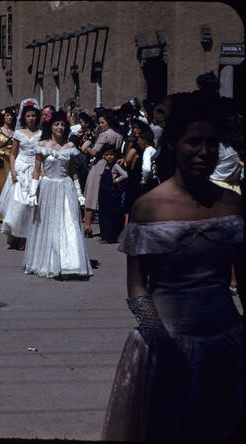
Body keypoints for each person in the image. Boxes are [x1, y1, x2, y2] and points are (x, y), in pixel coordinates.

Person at [101, 91, 244, 441]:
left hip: (228, 344)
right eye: (193, 141)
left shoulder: (233, 204)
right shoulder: (148, 207)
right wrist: (164, 347)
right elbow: (137, 286)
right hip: (164, 345)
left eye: (212, 143)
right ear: (173, 145)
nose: (204, 151)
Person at [23, 111, 92, 278]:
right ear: (50, 127)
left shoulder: (70, 147)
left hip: (65, 187)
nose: (60, 127)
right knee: (48, 224)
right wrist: (32, 193)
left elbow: (73, 172)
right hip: (47, 187)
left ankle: (69, 263)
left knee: (68, 223)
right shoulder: (42, 145)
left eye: (62, 124)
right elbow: (37, 170)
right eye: (56, 124)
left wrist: (79, 193)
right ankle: (47, 261)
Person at [0, 98, 41, 249]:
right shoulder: (18, 133)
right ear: (24, 117)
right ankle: (13, 234)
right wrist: (13, 171)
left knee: (29, 205)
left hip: (35, 168)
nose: (31, 118)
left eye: (33, 116)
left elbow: (43, 154)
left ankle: (25, 237)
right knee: (16, 203)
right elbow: (12, 153)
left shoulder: (41, 134)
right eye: (28, 116)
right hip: (20, 168)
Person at [82, 110, 124, 236]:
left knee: (91, 196)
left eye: (102, 123)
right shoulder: (118, 135)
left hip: (99, 165)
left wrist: (86, 147)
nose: (100, 125)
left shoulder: (104, 135)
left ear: (108, 123)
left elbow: (95, 152)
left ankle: (87, 226)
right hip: (112, 166)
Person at [97, 146, 127, 243]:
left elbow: (125, 175)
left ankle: (110, 237)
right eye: (107, 155)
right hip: (104, 192)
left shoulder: (115, 165)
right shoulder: (106, 165)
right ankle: (104, 236)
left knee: (110, 216)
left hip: (111, 193)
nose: (109, 157)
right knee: (103, 214)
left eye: (111, 155)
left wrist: (116, 180)